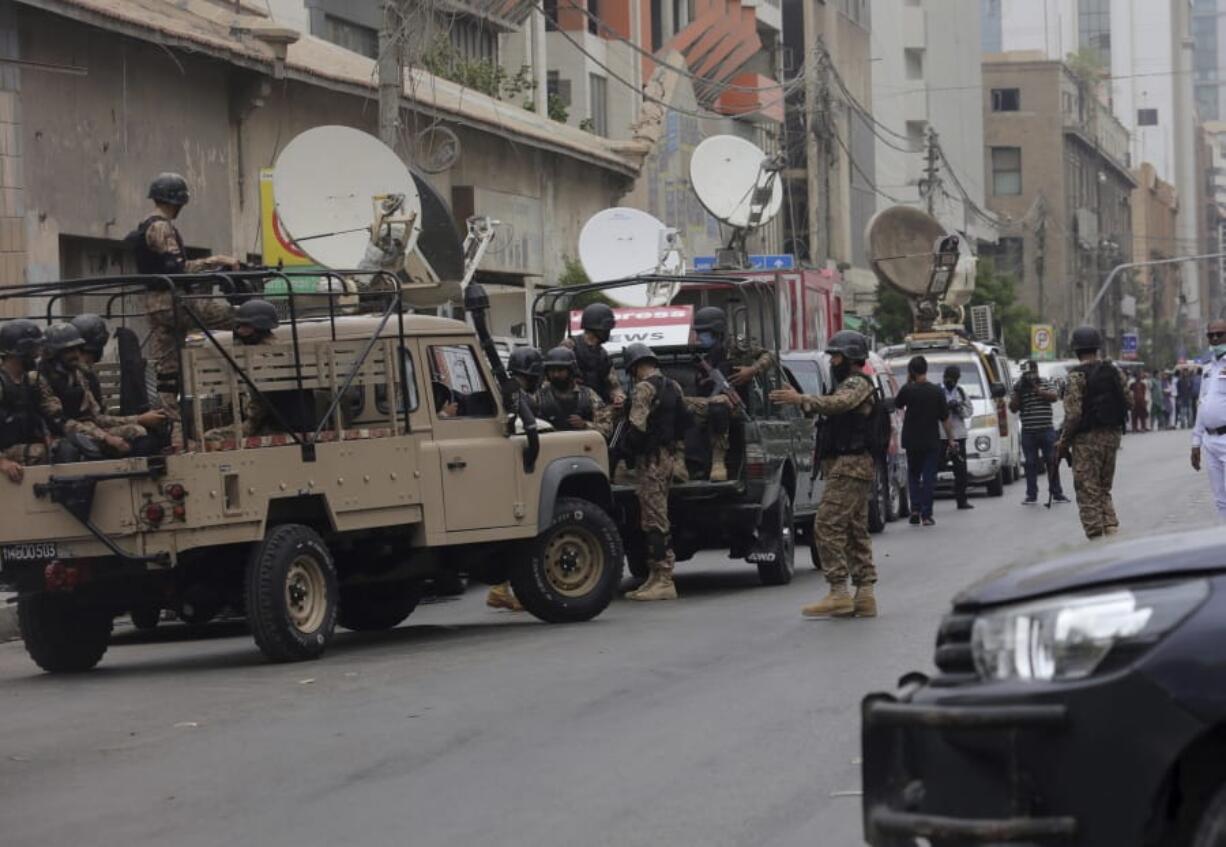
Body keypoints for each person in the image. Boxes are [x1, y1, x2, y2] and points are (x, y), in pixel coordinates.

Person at [770, 330, 879, 619]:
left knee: (826, 526)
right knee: (855, 530)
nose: (832, 361)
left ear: (851, 358)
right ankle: (864, 594)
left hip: (850, 466)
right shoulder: (845, 384)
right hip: (847, 466)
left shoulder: (857, 383)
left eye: (837, 356)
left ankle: (839, 592)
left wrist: (801, 398)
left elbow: (838, 404)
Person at [132, 172, 241, 447]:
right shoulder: (161, 227)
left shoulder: (145, 225)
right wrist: (217, 262)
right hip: (174, 303)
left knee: (168, 376)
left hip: (155, 308)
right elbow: (177, 269)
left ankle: (176, 437)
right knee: (239, 318)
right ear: (177, 201)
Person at [38, 324, 167, 457]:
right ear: (54, 354)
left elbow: (97, 417)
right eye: (69, 351)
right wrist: (106, 438)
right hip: (64, 436)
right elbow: (62, 424)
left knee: (141, 436)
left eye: (77, 349)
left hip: (90, 431)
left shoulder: (79, 375)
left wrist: (138, 419)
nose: (76, 354)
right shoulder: (42, 379)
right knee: (72, 451)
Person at [620, 342, 684, 602]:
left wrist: (627, 451)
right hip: (667, 457)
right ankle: (655, 577)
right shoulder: (673, 386)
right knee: (654, 517)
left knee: (654, 520)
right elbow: (683, 422)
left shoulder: (643, 388)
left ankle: (664, 578)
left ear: (635, 367)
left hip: (651, 460)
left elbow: (637, 426)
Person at [1056, 325, 1128, 539]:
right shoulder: (1114, 371)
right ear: (1097, 348)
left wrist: (1063, 442)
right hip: (1112, 436)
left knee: (1088, 492)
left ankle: (1097, 544)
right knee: (1104, 489)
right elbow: (1129, 401)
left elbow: (1073, 415)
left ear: (1076, 350)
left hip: (1086, 441)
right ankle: (1112, 532)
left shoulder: (1075, 377)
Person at [486, 346, 544, 613]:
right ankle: (503, 588)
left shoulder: (504, 390)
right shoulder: (517, 396)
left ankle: (500, 588)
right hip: (515, 466)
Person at [893, 355, 956, 526]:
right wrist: (951, 439)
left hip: (912, 440)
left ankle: (915, 509)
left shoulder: (907, 389)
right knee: (929, 477)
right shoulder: (936, 391)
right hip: (931, 441)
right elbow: (945, 418)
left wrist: (909, 382)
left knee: (913, 475)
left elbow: (897, 405)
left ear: (911, 371)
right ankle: (926, 515)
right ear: (926, 370)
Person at [0, 320, 55, 482]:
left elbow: (41, 415)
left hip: (24, 442)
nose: (37, 355)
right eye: (33, 350)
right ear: (19, 352)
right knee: (40, 453)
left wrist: (49, 438)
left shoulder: (31, 380)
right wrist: (2, 462)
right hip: (5, 450)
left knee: (64, 449)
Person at [1010, 360, 1068, 506]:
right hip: (1029, 432)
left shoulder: (1044, 382)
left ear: (1036, 371)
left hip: (1046, 429)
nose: (1029, 376)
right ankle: (1031, 495)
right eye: (1026, 373)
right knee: (1030, 464)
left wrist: (1038, 390)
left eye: (1031, 372)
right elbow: (1013, 408)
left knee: (1051, 461)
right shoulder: (1019, 387)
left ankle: (1057, 493)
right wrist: (1018, 392)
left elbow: (1054, 397)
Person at [1191, 321, 1226, 518]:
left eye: (1219, 334)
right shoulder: (1207, 368)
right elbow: (1201, 406)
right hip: (1210, 442)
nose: (1214, 339)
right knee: (1221, 500)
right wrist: (1196, 443)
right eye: (1210, 335)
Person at [535, 346, 609, 436]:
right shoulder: (538, 397)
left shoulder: (588, 395)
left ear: (571, 370)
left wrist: (585, 425)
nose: (556, 375)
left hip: (582, 447)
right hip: (549, 447)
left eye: (560, 370)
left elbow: (607, 429)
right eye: (552, 370)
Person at [562, 303, 625, 407]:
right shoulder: (570, 346)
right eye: (607, 328)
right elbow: (552, 379)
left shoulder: (602, 354)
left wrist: (618, 396)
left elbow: (613, 383)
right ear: (596, 327)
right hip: (573, 407)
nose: (608, 332)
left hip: (597, 409)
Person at [939, 364, 974, 510]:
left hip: (958, 435)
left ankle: (961, 499)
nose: (951, 382)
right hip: (940, 435)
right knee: (936, 466)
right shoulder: (938, 391)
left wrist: (957, 407)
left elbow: (969, 411)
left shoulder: (961, 392)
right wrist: (943, 408)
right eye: (949, 379)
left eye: (954, 379)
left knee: (961, 469)